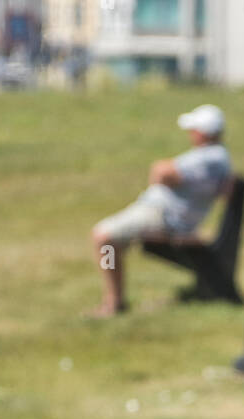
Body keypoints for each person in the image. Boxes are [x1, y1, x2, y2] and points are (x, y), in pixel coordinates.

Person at [86, 104, 232, 318]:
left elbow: (161, 172)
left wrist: (166, 174)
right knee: (109, 240)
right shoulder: (216, 157)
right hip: (165, 214)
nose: (190, 134)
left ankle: (113, 303)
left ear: (203, 132)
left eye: (193, 129)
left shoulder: (211, 157)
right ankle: (114, 298)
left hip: (164, 216)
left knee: (104, 238)